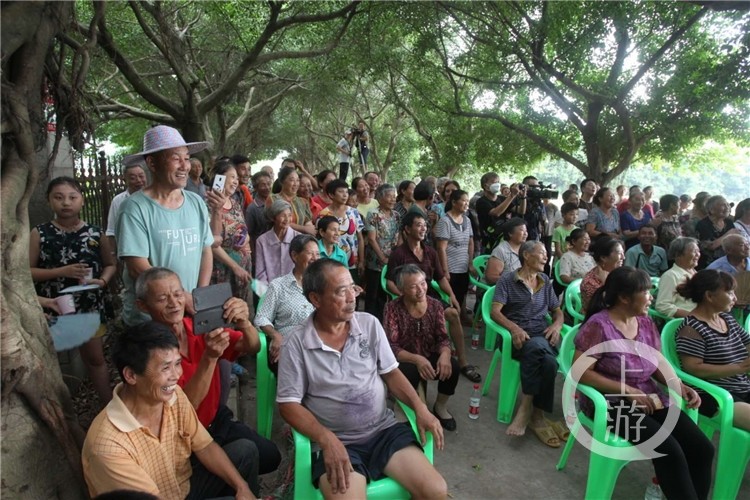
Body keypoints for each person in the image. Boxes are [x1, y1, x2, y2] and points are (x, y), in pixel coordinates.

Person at [276, 259, 447, 499]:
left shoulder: (369, 324)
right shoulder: (297, 343)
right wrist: (326, 439)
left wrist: (420, 407)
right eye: (340, 291)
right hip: (337, 441)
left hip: (383, 431)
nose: (351, 297)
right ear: (315, 299)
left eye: (352, 288)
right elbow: (288, 404)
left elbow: (391, 372)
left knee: (436, 490)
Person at [574, 267, 713, 499]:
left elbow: (656, 361)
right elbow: (579, 372)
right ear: (624, 297)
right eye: (646, 292)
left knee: (702, 449)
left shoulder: (645, 322)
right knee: (669, 450)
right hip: (611, 404)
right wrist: (627, 390)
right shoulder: (599, 325)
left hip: (648, 396)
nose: (651, 297)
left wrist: (677, 384)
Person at [134, 268, 281, 482]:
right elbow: (185, 410)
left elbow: (253, 346)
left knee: (270, 456)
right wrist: (210, 358)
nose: (173, 303)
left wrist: (244, 322)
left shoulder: (197, 326)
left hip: (216, 421)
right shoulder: (149, 354)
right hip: (185, 439)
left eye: (177, 294)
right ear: (142, 306)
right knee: (244, 455)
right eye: (162, 298)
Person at [82, 322, 256, 499]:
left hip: (182, 489)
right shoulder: (108, 447)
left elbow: (205, 446)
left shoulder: (173, 396)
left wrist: (242, 488)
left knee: (246, 452)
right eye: (165, 368)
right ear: (131, 375)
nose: (176, 375)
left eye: (177, 363)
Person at [31, 177, 117, 403]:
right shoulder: (39, 233)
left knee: (96, 359)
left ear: (82, 201)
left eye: (72, 197)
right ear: (49, 201)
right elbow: (27, 272)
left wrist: (104, 281)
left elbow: (110, 264)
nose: (66, 203)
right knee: (53, 361)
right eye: (58, 198)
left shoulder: (96, 233)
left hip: (89, 307)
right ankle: (61, 412)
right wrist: (62, 271)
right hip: (54, 308)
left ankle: (109, 407)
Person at [117, 125, 214, 326]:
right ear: (152, 163)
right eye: (176, 158)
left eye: (186, 158)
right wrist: (181, 298)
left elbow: (206, 251)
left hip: (187, 312)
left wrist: (198, 296)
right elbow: (137, 267)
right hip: (150, 319)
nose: (185, 166)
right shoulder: (134, 208)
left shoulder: (196, 203)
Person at [387, 211, 481, 383]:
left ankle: (463, 362)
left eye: (425, 225)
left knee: (453, 313)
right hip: (409, 297)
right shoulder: (398, 254)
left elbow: (440, 277)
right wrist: (405, 295)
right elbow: (389, 282)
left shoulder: (430, 252)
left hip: (429, 294)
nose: (423, 228)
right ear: (407, 229)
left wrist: (452, 295)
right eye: (418, 225)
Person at [490, 241, 566, 446]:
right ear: (526, 256)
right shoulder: (507, 280)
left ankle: (527, 408)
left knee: (538, 349)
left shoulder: (545, 281)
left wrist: (557, 325)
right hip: (516, 339)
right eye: (541, 254)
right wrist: (514, 328)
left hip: (540, 335)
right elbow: (495, 312)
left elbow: (557, 311)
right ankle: (536, 416)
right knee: (549, 362)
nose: (546, 258)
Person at [384, 265, 460, 431]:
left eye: (423, 283)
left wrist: (445, 354)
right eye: (413, 286)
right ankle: (403, 407)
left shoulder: (435, 305)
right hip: (404, 358)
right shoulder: (392, 308)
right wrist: (417, 359)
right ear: (401, 289)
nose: (420, 290)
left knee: (452, 367)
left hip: (429, 353)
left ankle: (440, 406)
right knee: (407, 371)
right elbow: (391, 346)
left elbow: (442, 338)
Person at [676, 269, 750, 430]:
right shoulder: (691, 328)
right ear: (709, 296)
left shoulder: (726, 319)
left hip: (741, 386)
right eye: (730, 293)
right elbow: (695, 369)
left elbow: (748, 344)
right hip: (715, 395)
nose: (735, 298)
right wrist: (740, 367)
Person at [254, 235, 318, 372]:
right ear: (295, 256)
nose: (315, 258)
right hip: (288, 346)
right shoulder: (278, 286)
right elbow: (261, 318)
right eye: (310, 253)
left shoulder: (323, 285)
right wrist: (276, 336)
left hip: (317, 345)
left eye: (317, 254)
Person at [208, 162, 252, 302]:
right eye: (232, 177)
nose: (235, 182)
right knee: (224, 310)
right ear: (219, 178)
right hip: (222, 269)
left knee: (240, 310)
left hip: (242, 266)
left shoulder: (235, 203)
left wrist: (245, 239)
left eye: (237, 179)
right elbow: (210, 242)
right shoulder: (207, 204)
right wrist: (234, 267)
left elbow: (244, 229)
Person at [435, 189, 476, 323]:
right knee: (450, 298)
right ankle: (449, 324)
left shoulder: (467, 220)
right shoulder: (445, 221)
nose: (466, 204)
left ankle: (459, 320)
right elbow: (441, 248)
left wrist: (470, 263)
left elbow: (470, 243)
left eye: (467, 201)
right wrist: (445, 270)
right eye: (463, 200)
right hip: (450, 266)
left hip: (463, 266)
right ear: (453, 202)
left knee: (462, 294)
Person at [364, 184, 401, 320]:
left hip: (391, 260)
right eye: (389, 196)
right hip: (375, 261)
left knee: (386, 295)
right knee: (373, 295)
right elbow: (372, 239)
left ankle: (384, 324)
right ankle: (370, 322)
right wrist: (383, 258)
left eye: (394, 196)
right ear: (380, 198)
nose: (393, 199)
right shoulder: (373, 214)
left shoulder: (396, 215)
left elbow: (398, 237)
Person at [317, 179, 365, 272]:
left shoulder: (353, 212)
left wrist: (361, 261)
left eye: (346, 192)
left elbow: (360, 238)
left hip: (352, 263)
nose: (345, 195)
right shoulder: (323, 214)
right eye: (340, 192)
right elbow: (320, 239)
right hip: (330, 263)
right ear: (331, 195)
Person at [255, 200, 300, 285]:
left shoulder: (298, 238)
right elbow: (260, 274)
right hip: (269, 291)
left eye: (289, 215)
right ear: (273, 218)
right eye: (283, 215)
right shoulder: (262, 241)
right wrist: (267, 295)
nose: (287, 219)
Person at [476, 172, 524, 251]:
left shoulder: (502, 199)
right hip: (489, 242)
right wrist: (511, 196)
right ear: (485, 186)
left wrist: (523, 198)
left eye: (498, 182)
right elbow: (496, 213)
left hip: (504, 239)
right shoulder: (481, 202)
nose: (497, 184)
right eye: (494, 182)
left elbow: (521, 211)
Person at [655, 237, 700, 319]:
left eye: (698, 251)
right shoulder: (670, 276)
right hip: (686, 323)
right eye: (694, 251)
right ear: (678, 255)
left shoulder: (697, 275)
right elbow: (662, 305)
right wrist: (692, 316)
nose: (698, 254)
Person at [106, 164, 147, 247]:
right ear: (125, 180)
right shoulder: (118, 201)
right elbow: (111, 231)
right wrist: (113, 255)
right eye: (133, 178)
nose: (139, 180)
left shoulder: (154, 198)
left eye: (141, 176)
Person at [267, 166, 316, 236]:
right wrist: (303, 228)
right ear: (282, 181)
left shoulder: (303, 202)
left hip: (300, 241)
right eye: (292, 180)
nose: (296, 184)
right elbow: (279, 222)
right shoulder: (273, 199)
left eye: (298, 180)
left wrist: (309, 228)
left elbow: (308, 222)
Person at [580, 237, 624, 312]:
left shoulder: (616, 273)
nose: (623, 257)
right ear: (603, 257)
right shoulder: (590, 283)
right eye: (619, 253)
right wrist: (605, 284)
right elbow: (610, 308)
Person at [696, 195, 738, 269]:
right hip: (709, 264)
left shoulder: (728, 222)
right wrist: (729, 234)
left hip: (728, 262)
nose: (727, 207)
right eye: (723, 205)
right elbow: (711, 246)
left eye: (727, 204)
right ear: (712, 210)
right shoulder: (703, 224)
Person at [484, 218, 528, 285]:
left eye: (526, 231)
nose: (525, 234)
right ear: (510, 233)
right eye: (522, 230)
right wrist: (515, 281)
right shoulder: (501, 250)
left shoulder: (525, 250)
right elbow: (491, 277)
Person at [244, 171, 273, 260]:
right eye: (263, 185)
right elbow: (250, 234)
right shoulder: (252, 208)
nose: (267, 187)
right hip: (261, 251)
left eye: (269, 184)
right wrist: (254, 257)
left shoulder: (275, 202)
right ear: (256, 187)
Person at [408, 180, 439, 247]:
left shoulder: (423, 210)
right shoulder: (415, 211)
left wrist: (434, 222)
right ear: (430, 197)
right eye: (434, 195)